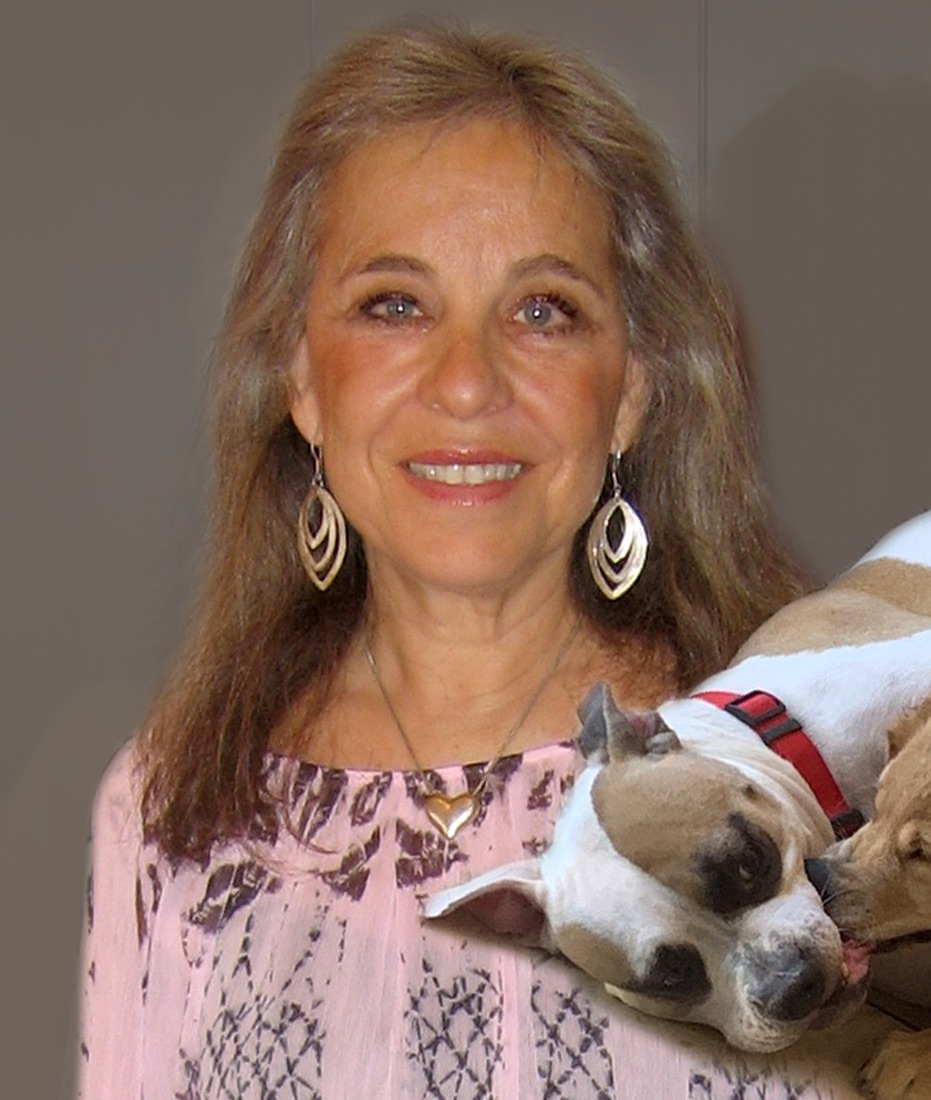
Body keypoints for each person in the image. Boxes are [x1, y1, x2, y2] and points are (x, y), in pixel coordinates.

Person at [78, 22, 857, 1099]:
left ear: (631, 390)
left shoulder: (807, 778)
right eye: (394, 305)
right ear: (301, 379)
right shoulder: (174, 809)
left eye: (543, 311)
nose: (465, 383)